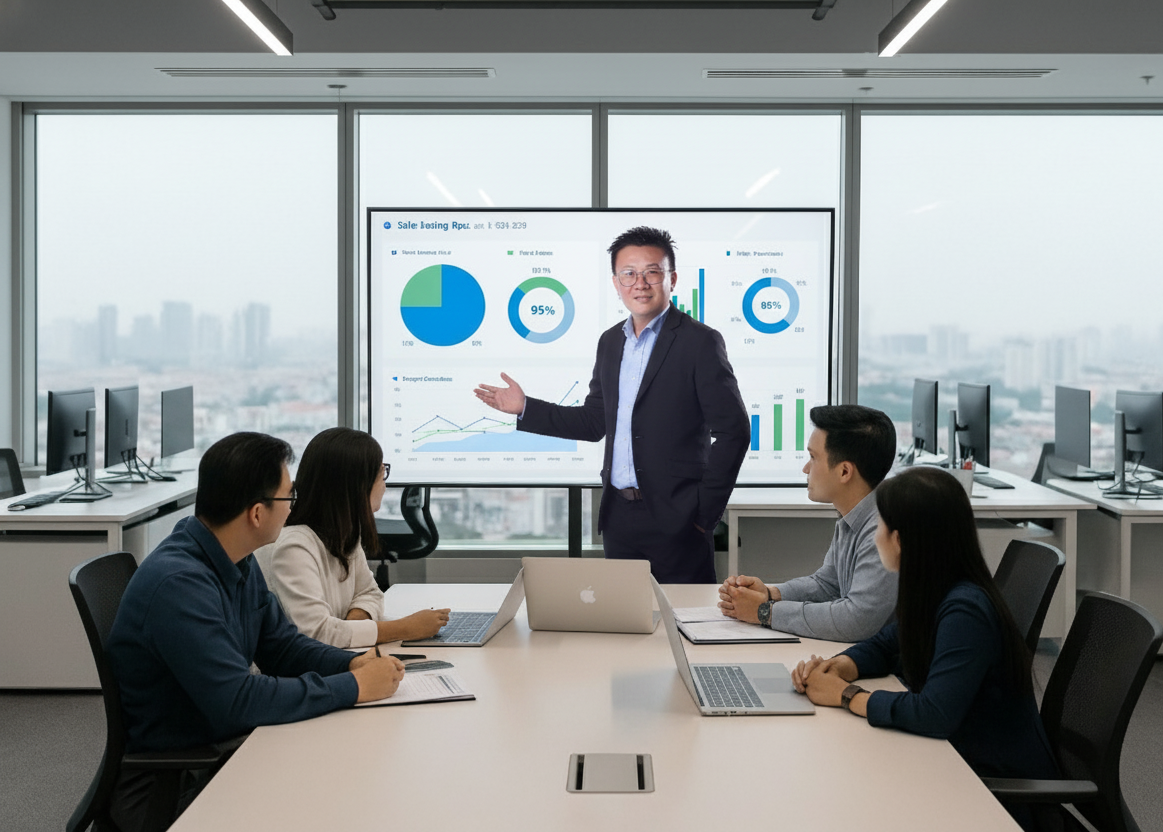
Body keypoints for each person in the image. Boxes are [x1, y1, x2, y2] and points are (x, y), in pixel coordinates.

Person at [107, 432, 405, 832]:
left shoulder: (234, 559)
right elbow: (236, 699)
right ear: (257, 514)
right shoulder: (179, 585)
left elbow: (282, 647)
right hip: (180, 784)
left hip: (223, 748)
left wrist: (353, 662)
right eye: (288, 498)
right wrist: (353, 687)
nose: (294, 508)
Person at [474, 226, 750, 583]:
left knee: (687, 626)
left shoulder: (700, 343)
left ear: (672, 278)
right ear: (616, 282)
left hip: (679, 519)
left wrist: (703, 512)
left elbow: (734, 431)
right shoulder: (610, 343)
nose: (640, 283)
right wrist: (526, 407)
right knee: (626, 628)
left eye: (652, 271)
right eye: (629, 274)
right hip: (619, 517)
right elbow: (593, 422)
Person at [790, 465, 1058, 831]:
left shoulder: (965, 609)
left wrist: (846, 695)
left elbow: (934, 714)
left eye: (881, 528)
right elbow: (887, 644)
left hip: (989, 787)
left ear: (901, 540)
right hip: (952, 761)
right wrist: (839, 666)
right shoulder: (935, 588)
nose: (876, 537)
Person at [254, 427, 449, 648]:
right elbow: (316, 633)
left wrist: (352, 626)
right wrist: (406, 628)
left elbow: (370, 593)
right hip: (291, 676)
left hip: (330, 662)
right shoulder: (294, 546)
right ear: (357, 484)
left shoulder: (343, 535)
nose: (384, 485)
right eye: (381, 472)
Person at [718, 404, 898, 641]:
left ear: (845, 472)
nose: (805, 468)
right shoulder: (854, 515)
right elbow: (827, 585)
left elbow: (857, 619)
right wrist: (770, 594)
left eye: (813, 458)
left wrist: (764, 612)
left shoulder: (881, 528)